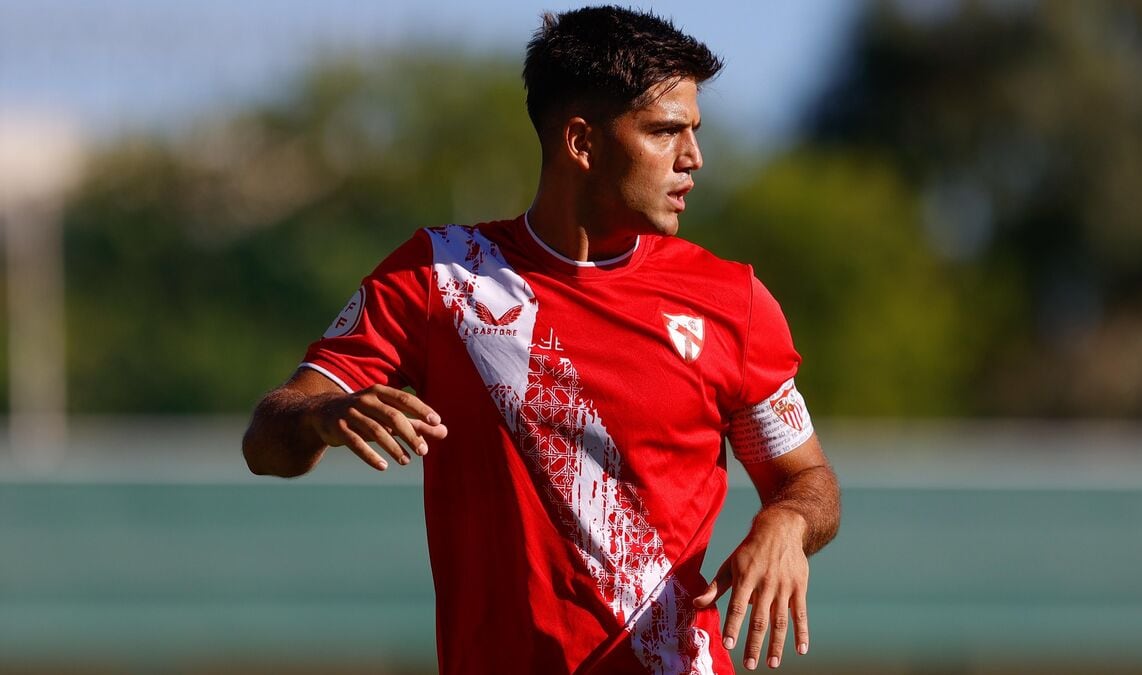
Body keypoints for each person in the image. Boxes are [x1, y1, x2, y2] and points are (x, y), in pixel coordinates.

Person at [242, 5, 840, 674]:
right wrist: (325, 413)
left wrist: (787, 523)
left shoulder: (732, 299)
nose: (693, 158)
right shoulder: (440, 275)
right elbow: (266, 441)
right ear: (581, 142)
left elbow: (807, 480)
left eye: (694, 131)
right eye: (666, 132)